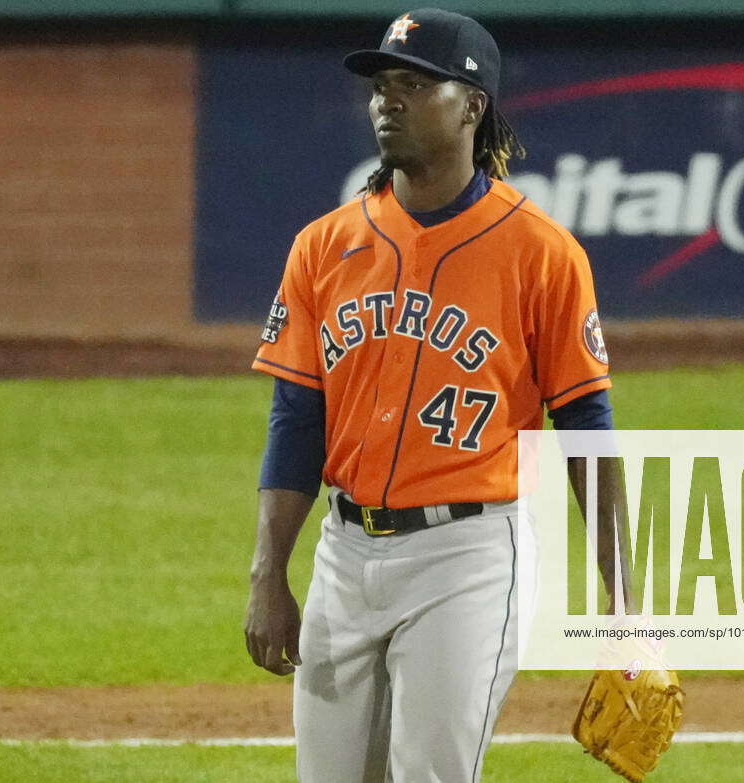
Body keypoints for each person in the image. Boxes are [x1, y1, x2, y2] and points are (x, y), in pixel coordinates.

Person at [244, 8, 614, 782]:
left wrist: (626, 602)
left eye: (415, 84)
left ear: (472, 106)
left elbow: (585, 421)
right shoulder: (324, 245)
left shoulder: (542, 254)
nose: (389, 101)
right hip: (343, 557)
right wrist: (269, 571)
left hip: (469, 557)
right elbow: (296, 417)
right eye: (382, 85)